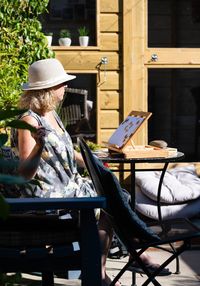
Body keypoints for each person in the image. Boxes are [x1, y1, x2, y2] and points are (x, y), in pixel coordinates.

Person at [12, 58, 170, 285]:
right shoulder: (29, 121)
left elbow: (65, 153)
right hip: (49, 196)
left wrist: (93, 161)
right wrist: (38, 146)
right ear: (48, 89)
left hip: (69, 186)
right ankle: (108, 266)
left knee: (115, 192)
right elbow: (25, 173)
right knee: (111, 200)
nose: (65, 87)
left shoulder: (52, 115)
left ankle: (120, 259)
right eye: (61, 84)